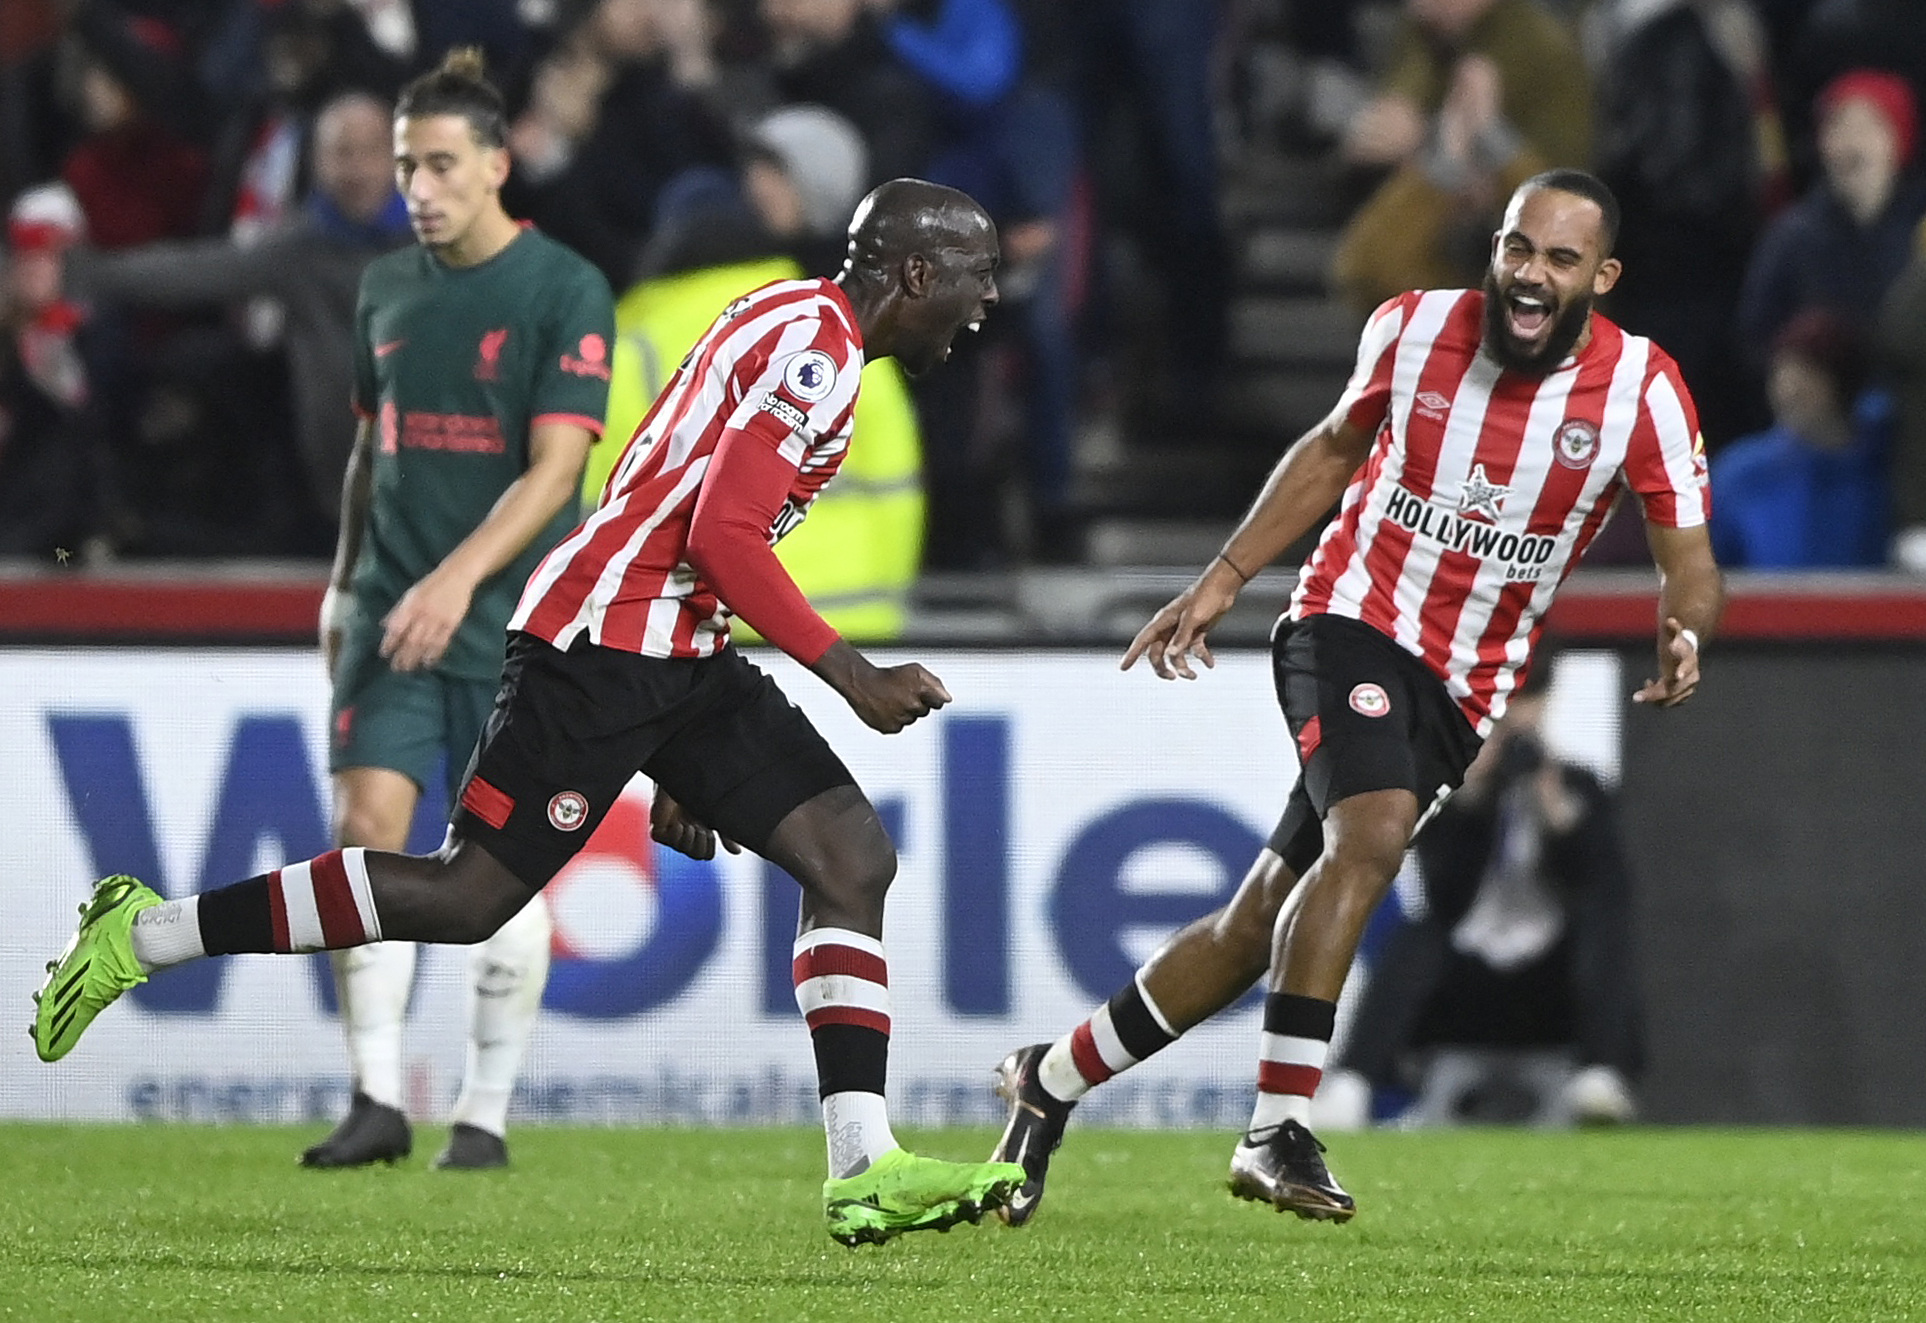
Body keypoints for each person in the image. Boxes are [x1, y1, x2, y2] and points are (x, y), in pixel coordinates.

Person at [34, 176, 1027, 1247]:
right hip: (599, 649)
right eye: (975, 277)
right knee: (465, 898)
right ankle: (144, 934)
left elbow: (675, 499)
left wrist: (680, 754)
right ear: (916, 273)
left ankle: (864, 1168)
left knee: (849, 858)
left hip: (673, 654)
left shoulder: (789, 321)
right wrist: (853, 675)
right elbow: (721, 539)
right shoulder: (816, 355)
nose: (985, 302)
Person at [988, 168, 1722, 1225]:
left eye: (1560, 260)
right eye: (1518, 247)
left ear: (1600, 277)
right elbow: (1334, 449)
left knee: (1254, 930)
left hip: (1465, 685)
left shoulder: (1643, 391)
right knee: (1370, 838)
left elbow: (1687, 554)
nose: (1530, 274)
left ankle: (1046, 1083)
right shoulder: (1416, 328)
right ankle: (1277, 1128)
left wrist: (1686, 624)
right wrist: (1226, 578)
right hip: (1349, 621)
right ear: (1496, 246)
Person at [303, 51, 611, 1171]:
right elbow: (364, 449)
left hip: (512, 624)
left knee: (495, 862)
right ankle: (377, 1100)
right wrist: (348, 580)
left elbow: (553, 471)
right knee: (366, 832)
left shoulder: (564, 289)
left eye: (439, 165)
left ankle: (483, 1112)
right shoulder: (385, 287)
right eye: (404, 167)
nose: (417, 187)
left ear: (496, 165)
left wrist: (457, 581)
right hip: (390, 611)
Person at [1319, 643, 1646, 1130]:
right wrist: (1469, 797)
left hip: (1551, 989)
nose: (1515, 714)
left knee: (1605, 924)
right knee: (1417, 936)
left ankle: (1601, 1073)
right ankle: (1352, 1083)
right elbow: (1443, 896)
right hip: (1463, 984)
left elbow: (1604, 884)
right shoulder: (1451, 789)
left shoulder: (1580, 787)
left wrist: (1554, 810)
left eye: (1527, 698)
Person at [62, 91, 411, 533]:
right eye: (342, 153)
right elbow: (195, 271)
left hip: (435, 475)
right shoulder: (297, 251)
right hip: (336, 478)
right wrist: (89, 274)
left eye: (371, 151)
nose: (357, 169)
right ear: (317, 163)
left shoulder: (442, 248)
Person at [1710, 308, 1889, 569]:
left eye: (1808, 378)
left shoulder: (1886, 469)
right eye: (1782, 374)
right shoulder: (1741, 474)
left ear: (1841, 385)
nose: (1789, 392)